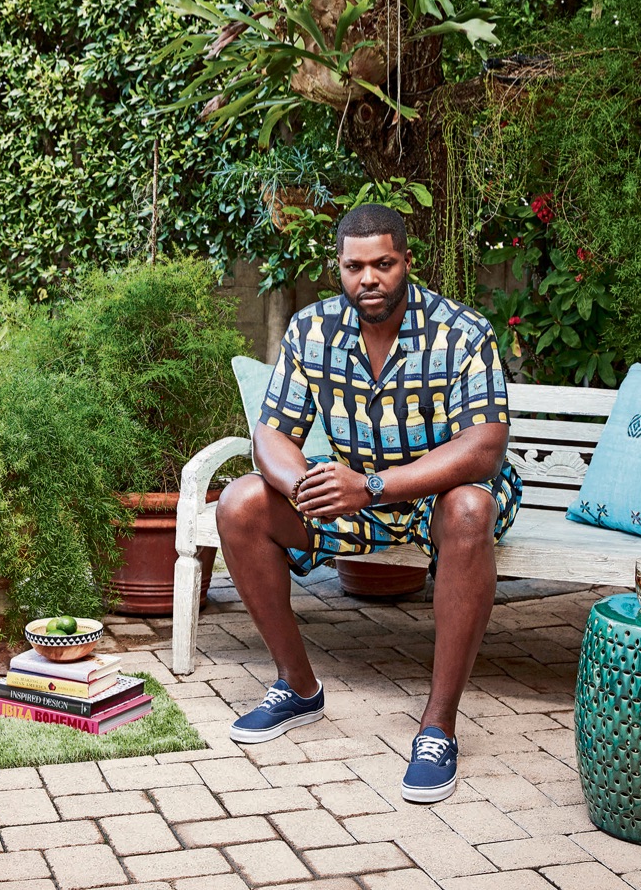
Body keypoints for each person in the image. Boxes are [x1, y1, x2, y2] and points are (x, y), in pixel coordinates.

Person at [216, 204, 521, 802]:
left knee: (468, 509)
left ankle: (438, 726)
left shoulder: (462, 332)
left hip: (437, 497)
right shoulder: (312, 330)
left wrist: (372, 486)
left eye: (383, 264)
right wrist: (306, 486)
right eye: (355, 267)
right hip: (355, 497)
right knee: (240, 502)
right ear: (339, 267)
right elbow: (272, 433)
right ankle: (297, 689)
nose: (369, 279)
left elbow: (483, 448)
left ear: (406, 261)